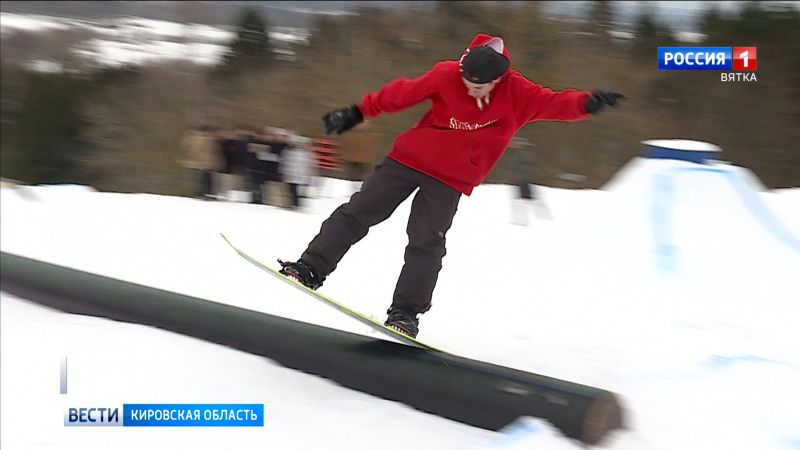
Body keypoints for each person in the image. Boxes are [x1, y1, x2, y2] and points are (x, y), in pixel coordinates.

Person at [278, 33, 623, 338]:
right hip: (409, 159)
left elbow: (557, 103)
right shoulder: (447, 74)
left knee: (427, 242)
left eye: (480, 86)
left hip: (450, 178)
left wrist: (587, 103)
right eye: (468, 82)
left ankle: (405, 313)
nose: (471, 89)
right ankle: (310, 268)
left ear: (498, 80)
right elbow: (402, 94)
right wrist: (356, 112)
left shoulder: (520, 93)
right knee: (357, 213)